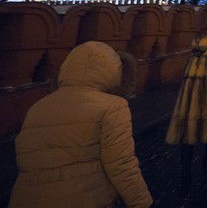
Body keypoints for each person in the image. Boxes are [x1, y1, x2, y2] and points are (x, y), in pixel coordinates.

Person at [10, 41, 152, 208]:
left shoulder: (38, 107)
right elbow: (121, 165)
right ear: (114, 71)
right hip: (84, 198)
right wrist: (141, 202)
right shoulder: (113, 107)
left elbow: (26, 161)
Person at [166, 22, 207, 194]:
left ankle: (185, 175)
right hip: (206, 96)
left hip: (188, 98)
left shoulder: (197, 46)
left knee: (187, 138)